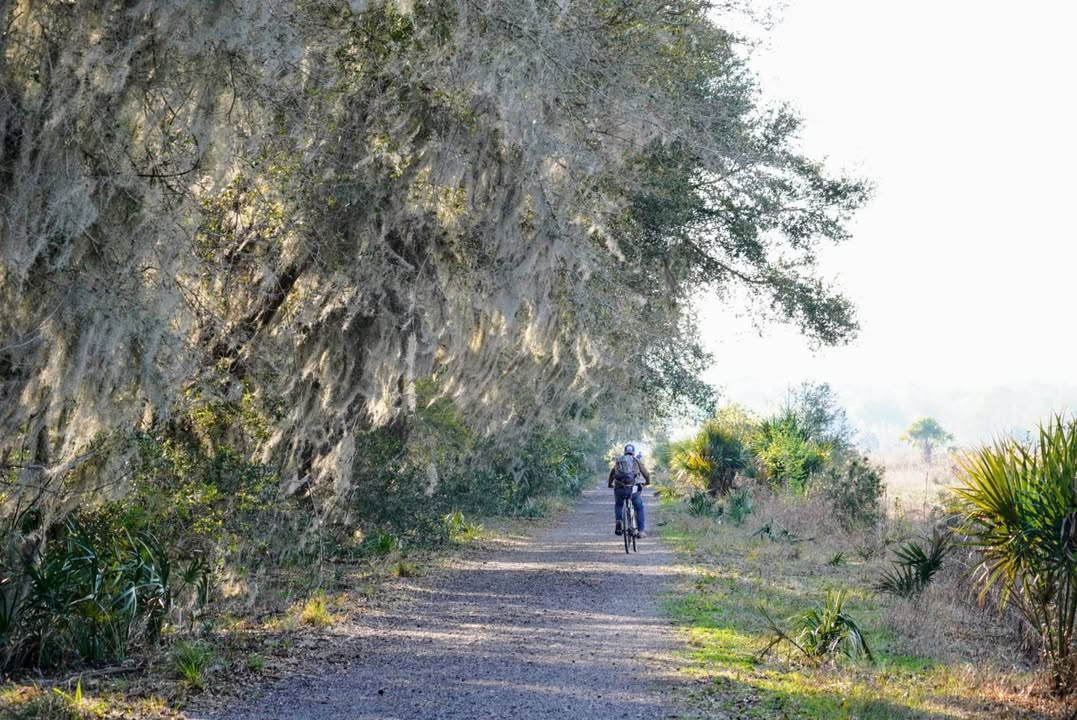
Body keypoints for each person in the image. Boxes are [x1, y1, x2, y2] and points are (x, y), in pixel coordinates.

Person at [608, 444, 650, 538]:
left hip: (619, 489)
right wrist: (647, 482)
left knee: (619, 505)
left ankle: (619, 521)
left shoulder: (619, 461)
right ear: (633, 452)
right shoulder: (636, 461)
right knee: (639, 507)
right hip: (632, 489)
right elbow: (646, 474)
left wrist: (610, 484)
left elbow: (612, 474)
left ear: (624, 452)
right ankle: (641, 531)